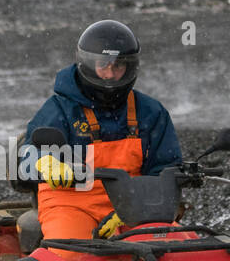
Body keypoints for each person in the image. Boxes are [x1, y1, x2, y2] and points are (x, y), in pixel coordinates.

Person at [23, 20, 181, 241]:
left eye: (118, 66)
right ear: (87, 64)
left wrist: (131, 209)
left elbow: (166, 168)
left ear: (130, 67)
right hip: (71, 205)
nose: (110, 74)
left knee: (173, 250)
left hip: (132, 206)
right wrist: (46, 162)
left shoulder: (151, 112)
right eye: (103, 65)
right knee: (69, 259)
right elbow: (26, 156)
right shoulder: (60, 109)